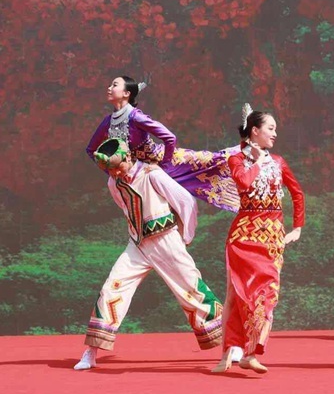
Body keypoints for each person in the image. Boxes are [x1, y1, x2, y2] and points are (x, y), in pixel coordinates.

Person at [74, 139, 223, 370]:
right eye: (109, 170)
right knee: (112, 289)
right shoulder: (114, 183)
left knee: (193, 291)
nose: (114, 172)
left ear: (128, 158)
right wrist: (135, 232)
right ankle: (91, 351)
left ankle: (232, 343)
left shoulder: (152, 175)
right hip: (137, 244)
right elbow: (125, 208)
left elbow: (186, 202)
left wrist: (185, 237)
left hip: (165, 240)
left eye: (116, 167)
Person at [212, 105, 305, 374]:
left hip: (273, 236)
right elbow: (243, 183)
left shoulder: (279, 162)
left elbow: (297, 193)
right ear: (255, 131)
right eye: (270, 129)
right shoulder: (237, 160)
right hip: (243, 236)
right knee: (234, 295)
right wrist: (257, 161)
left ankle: (252, 352)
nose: (275, 134)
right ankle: (227, 353)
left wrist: (297, 228)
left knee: (268, 294)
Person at [86, 76, 240, 211]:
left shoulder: (136, 117)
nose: (109, 88)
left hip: (163, 162)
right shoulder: (108, 122)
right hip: (138, 170)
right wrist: (113, 171)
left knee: (214, 160)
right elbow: (91, 150)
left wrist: (163, 166)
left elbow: (170, 138)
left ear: (127, 94)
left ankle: (248, 156)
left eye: (114, 85)